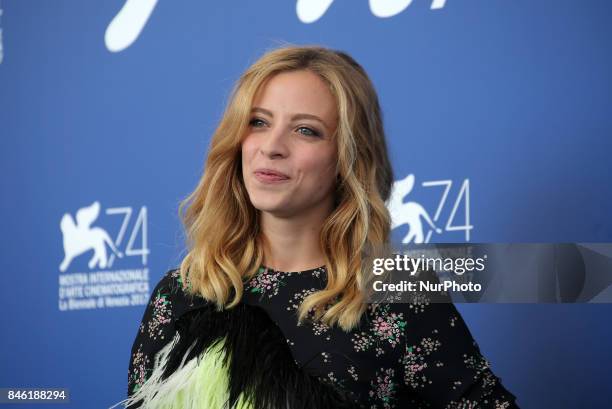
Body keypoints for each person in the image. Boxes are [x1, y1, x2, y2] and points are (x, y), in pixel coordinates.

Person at [117, 45, 519, 408]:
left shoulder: (396, 290)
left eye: (305, 129)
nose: (272, 146)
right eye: (258, 122)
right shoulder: (183, 294)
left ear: (347, 158)